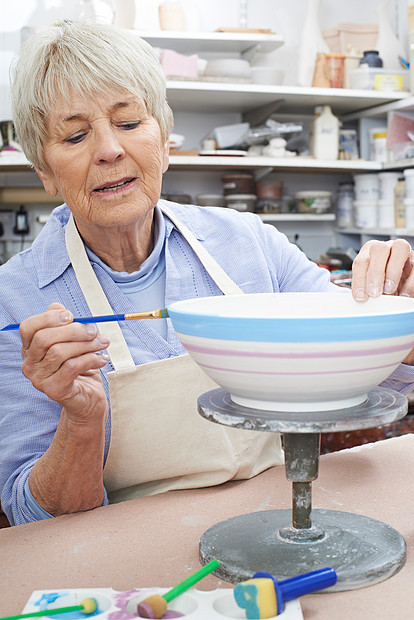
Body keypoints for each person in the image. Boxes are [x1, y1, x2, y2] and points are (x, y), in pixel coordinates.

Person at [1, 22, 413, 527]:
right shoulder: (14, 300)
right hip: (121, 554)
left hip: (278, 519)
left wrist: (400, 308)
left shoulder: (248, 243)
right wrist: (81, 421)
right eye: (76, 134)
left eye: (129, 123)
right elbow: (31, 515)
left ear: (165, 137)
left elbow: (375, 370)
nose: (109, 150)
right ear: (43, 170)